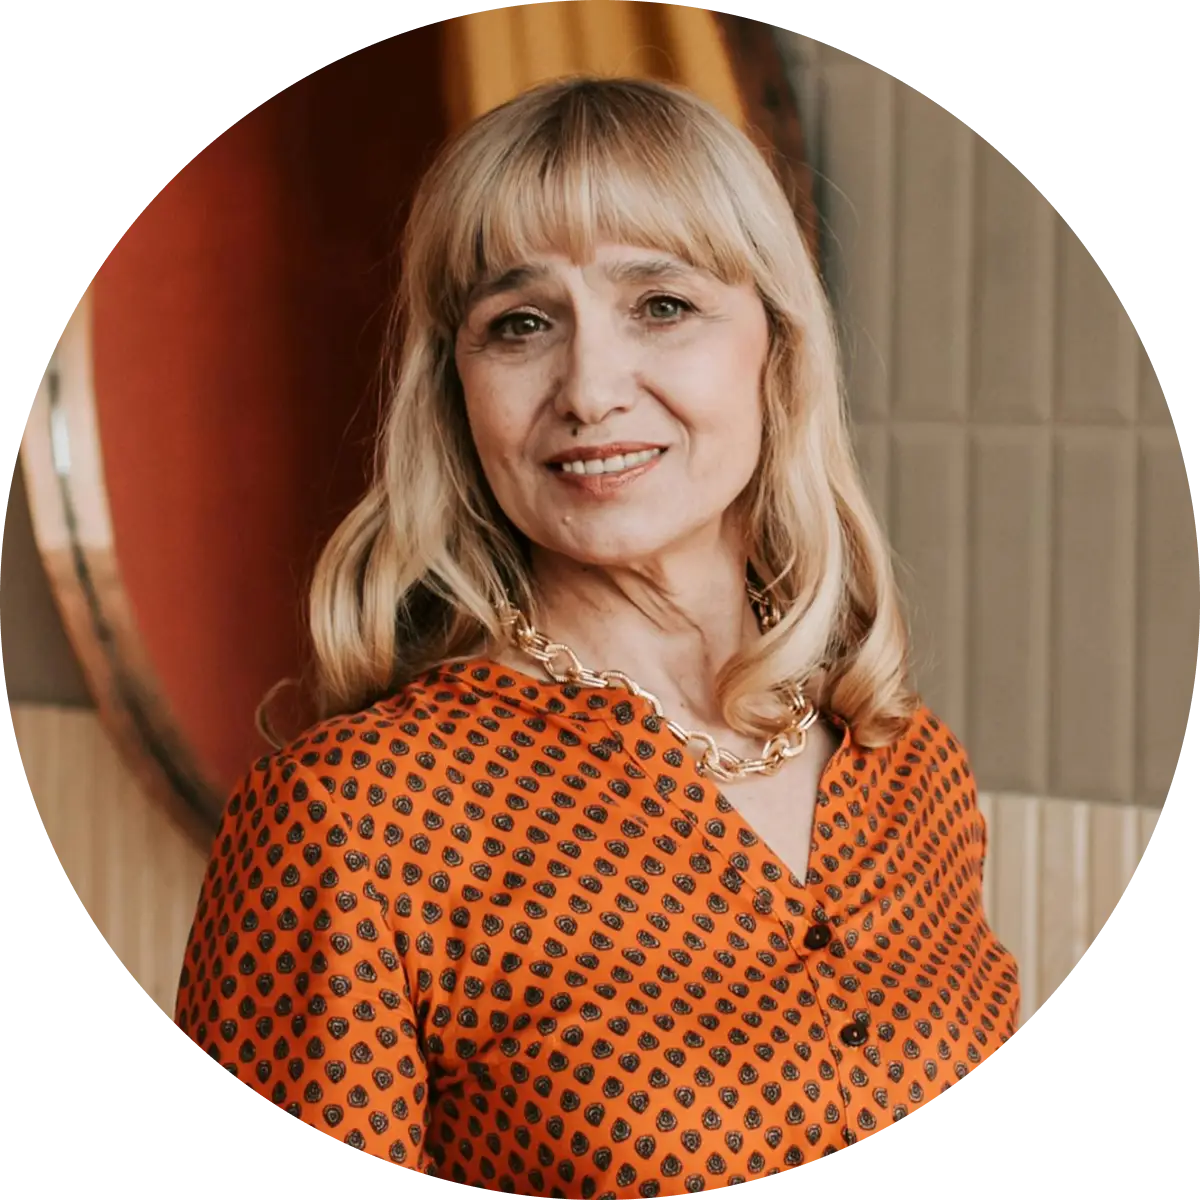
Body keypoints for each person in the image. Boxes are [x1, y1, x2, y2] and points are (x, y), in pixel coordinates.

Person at [174, 75, 1020, 1193]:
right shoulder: (357, 821)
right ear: (457, 393)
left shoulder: (912, 773)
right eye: (520, 324)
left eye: (660, 305)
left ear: (776, 349)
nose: (588, 389)